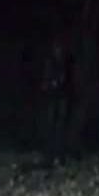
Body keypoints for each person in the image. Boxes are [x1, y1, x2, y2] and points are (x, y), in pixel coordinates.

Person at [41, 36, 73, 166]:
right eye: (56, 49)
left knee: (60, 127)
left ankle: (59, 156)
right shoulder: (50, 62)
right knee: (51, 127)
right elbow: (46, 81)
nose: (58, 51)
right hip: (52, 98)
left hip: (61, 98)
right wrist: (51, 84)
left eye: (59, 49)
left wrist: (59, 83)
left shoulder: (66, 63)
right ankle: (50, 156)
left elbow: (66, 80)